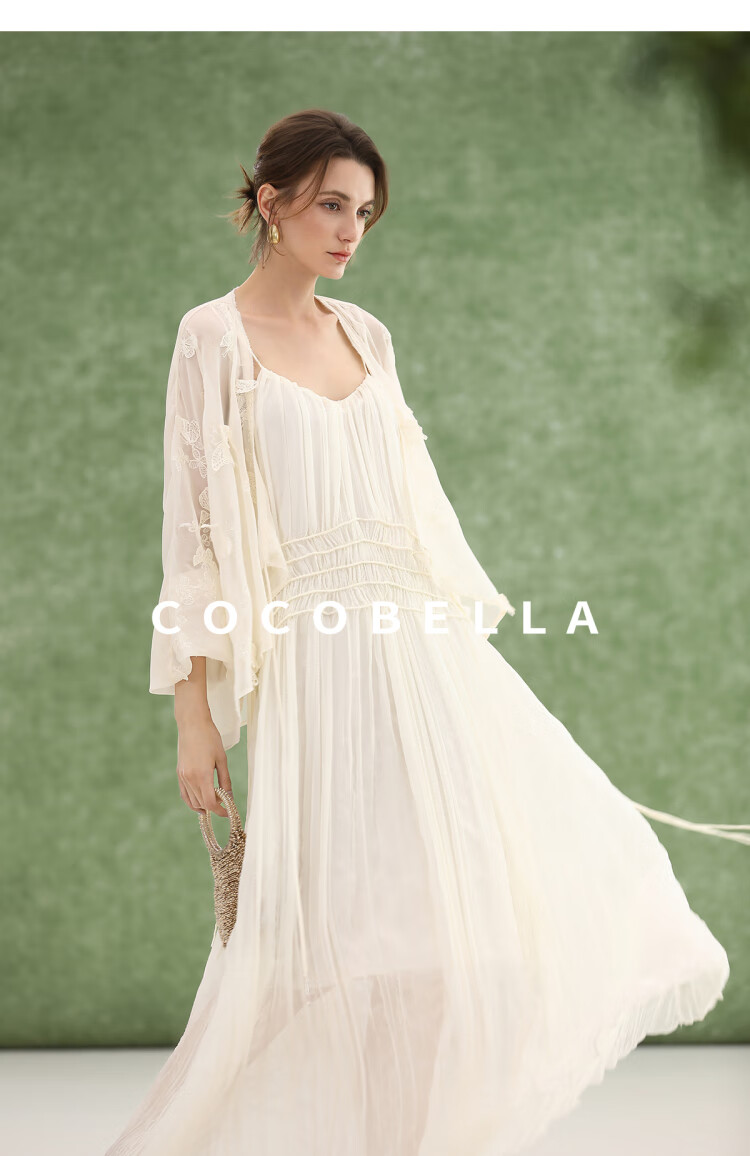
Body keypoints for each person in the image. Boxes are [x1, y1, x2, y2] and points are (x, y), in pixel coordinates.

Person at [107, 109, 745, 1156]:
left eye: (365, 213)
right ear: (270, 202)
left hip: (419, 653)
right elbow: (196, 539)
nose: (350, 231)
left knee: (453, 931)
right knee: (310, 951)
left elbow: (414, 514)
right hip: (315, 669)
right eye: (330, 205)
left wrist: (454, 640)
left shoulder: (367, 336)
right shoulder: (210, 338)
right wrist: (193, 714)